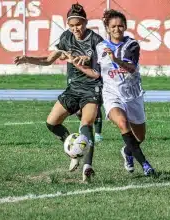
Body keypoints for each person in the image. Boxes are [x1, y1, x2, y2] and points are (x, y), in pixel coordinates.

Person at [14, 3, 104, 182]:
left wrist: (89, 58)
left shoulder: (96, 40)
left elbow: (102, 65)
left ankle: (87, 166)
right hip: (73, 89)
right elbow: (49, 60)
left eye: (78, 24)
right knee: (51, 123)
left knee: (86, 123)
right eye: (71, 25)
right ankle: (74, 150)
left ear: (85, 23)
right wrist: (27, 59)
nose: (75, 28)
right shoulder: (66, 38)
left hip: (91, 88)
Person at [96, 9, 155, 176]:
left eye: (120, 26)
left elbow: (131, 68)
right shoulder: (100, 47)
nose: (117, 29)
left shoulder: (132, 45)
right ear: (107, 28)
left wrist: (115, 59)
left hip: (133, 95)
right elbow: (95, 72)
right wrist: (79, 63)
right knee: (122, 123)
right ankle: (145, 165)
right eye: (113, 26)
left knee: (140, 137)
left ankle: (128, 152)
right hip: (112, 95)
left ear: (125, 27)